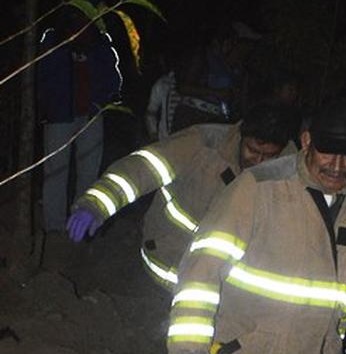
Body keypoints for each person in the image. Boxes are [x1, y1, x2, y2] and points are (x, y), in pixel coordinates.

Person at [167, 99, 346, 354]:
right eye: (328, 152)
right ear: (307, 142)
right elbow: (203, 267)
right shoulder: (259, 187)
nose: (337, 166)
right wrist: (189, 346)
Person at [66, 103, 300, 290]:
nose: (257, 161)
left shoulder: (291, 170)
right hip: (170, 263)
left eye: (268, 155)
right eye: (253, 150)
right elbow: (142, 169)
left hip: (226, 286)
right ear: (240, 135)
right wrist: (97, 204)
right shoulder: (203, 144)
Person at [37, 9, 122, 232]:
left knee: (89, 172)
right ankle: (54, 227)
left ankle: (80, 223)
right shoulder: (52, 39)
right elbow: (42, 74)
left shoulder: (100, 42)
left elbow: (112, 76)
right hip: (59, 116)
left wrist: (104, 101)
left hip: (91, 115)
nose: (82, 20)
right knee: (56, 172)